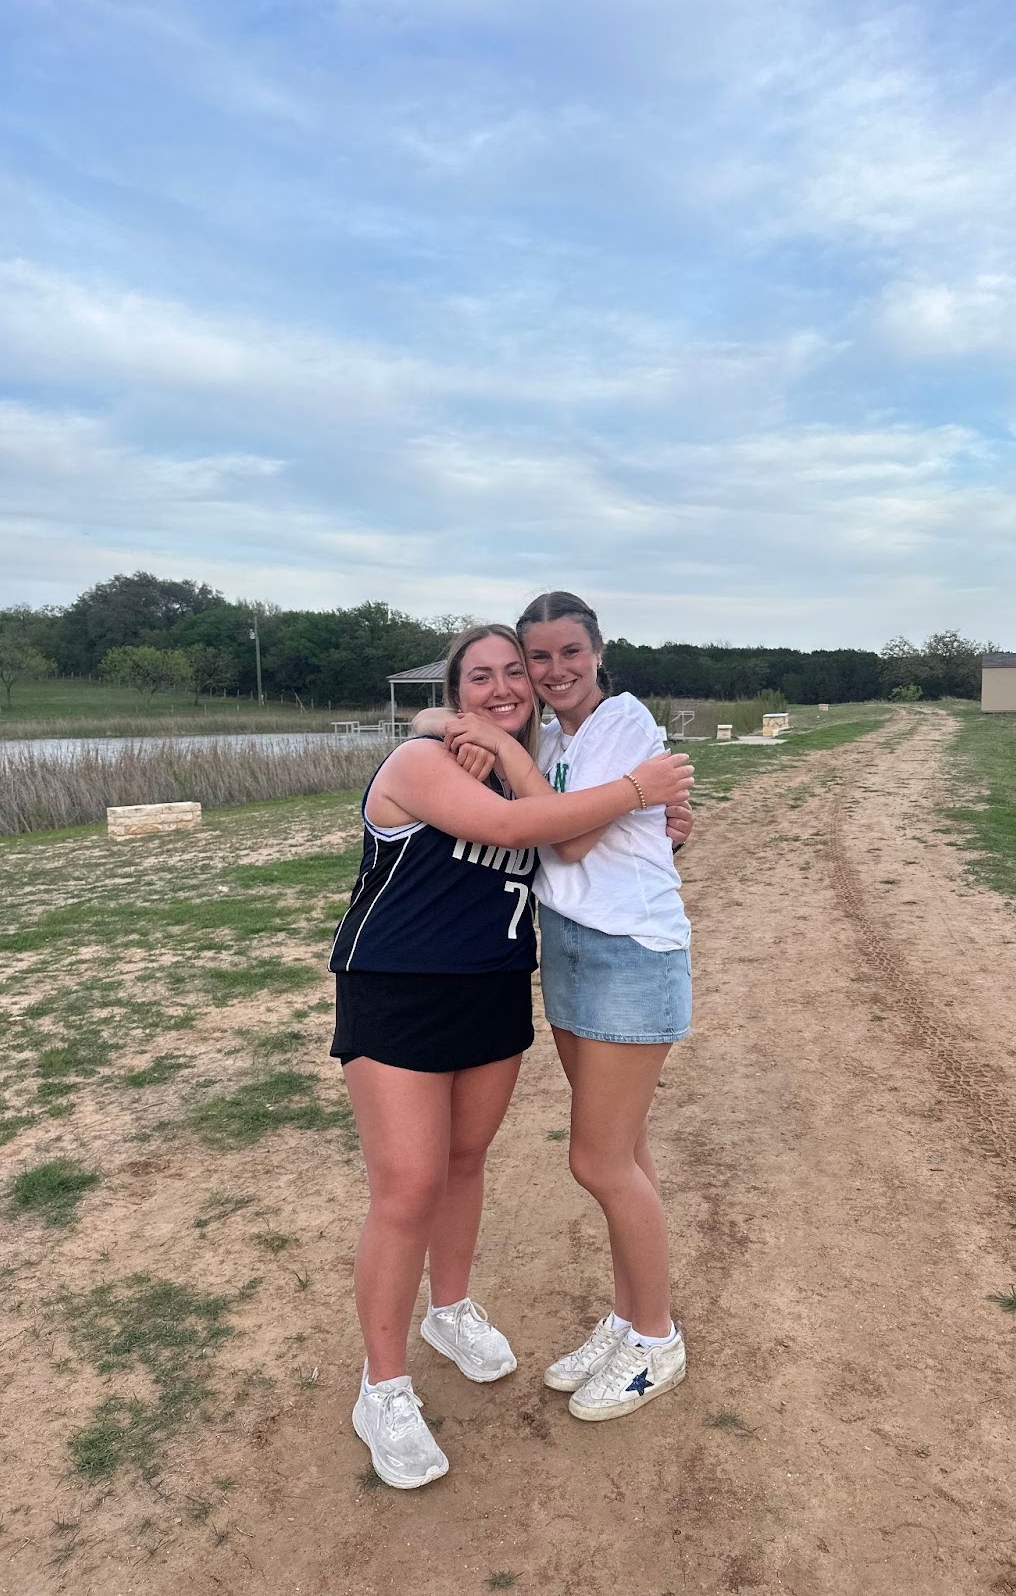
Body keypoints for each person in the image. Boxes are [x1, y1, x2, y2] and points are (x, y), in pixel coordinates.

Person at [331, 623, 693, 1488]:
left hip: (492, 988)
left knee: (463, 1162)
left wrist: (660, 826)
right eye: (481, 677)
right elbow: (523, 827)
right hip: (399, 990)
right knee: (408, 1186)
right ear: (455, 690)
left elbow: (577, 841)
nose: (503, 688)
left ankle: (449, 1310)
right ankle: (381, 1388)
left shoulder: (530, 759)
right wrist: (637, 788)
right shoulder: (426, 762)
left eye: (513, 675)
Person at [435, 592, 693, 1423]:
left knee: (598, 1161)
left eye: (566, 653)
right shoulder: (555, 737)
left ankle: (655, 1341)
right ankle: (626, 1319)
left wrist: (630, 790)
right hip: (571, 950)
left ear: (598, 650)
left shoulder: (619, 718)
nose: (551, 672)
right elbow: (435, 735)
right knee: (629, 1151)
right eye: (535, 658)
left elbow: (570, 838)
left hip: (628, 954)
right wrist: (471, 736)